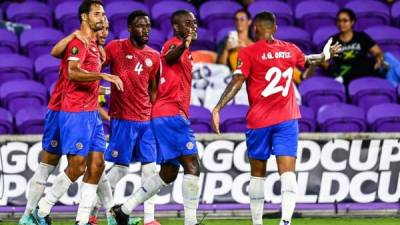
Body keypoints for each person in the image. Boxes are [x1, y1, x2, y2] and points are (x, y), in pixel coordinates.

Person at [211, 11, 340, 225]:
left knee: (257, 174)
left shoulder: (248, 52)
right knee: (287, 172)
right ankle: (285, 222)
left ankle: (257, 223)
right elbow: (308, 60)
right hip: (286, 120)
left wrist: (217, 108)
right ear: (276, 29)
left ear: (255, 29)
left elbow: (237, 81)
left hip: (259, 121)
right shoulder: (290, 49)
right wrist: (325, 55)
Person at [31, 1, 124, 225]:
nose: (102, 19)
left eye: (104, 16)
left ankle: (83, 220)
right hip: (75, 112)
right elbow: (73, 72)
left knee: (97, 165)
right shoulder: (78, 43)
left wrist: (106, 88)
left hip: (91, 112)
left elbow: (86, 78)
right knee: (76, 167)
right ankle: (40, 211)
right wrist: (104, 77)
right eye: (97, 14)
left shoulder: (94, 47)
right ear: (85, 17)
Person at [110, 10, 202, 225]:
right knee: (193, 166)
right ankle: (191, 222)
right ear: (177, 27)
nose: (193, 26)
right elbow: (169, 57)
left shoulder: (183, 50)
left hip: (163, 114)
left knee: (169, 172)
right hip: (171, 114)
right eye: (187, 23)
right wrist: (184, 44)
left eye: (194, 23)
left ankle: (124, 210)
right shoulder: (173, 44)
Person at [94, 10, 161, 225]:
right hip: (123, 120)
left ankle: (150, 219)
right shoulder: (116, 47)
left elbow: (153, 90)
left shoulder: (154, 56)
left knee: (150, 169)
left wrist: (155, 114)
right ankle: (93, 212)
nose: (146, 30)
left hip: (146, 122)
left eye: (148, 26)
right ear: (130, 28)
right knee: (120, 169)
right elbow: (95, 70)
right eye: (141, 26)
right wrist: (98, 93)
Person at [319, 8, 386, 86]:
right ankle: (345, 76)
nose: (341, 23)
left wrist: (378, 58)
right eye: (339, 20)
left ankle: (344, 77)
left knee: (373, 61)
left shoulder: (361, 37)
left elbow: (378, 52)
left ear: (352, 22)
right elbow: (322, 60)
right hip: (344, 68)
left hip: (361, 67)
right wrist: (331, 69)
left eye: (345, 21)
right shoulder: (333, 40)